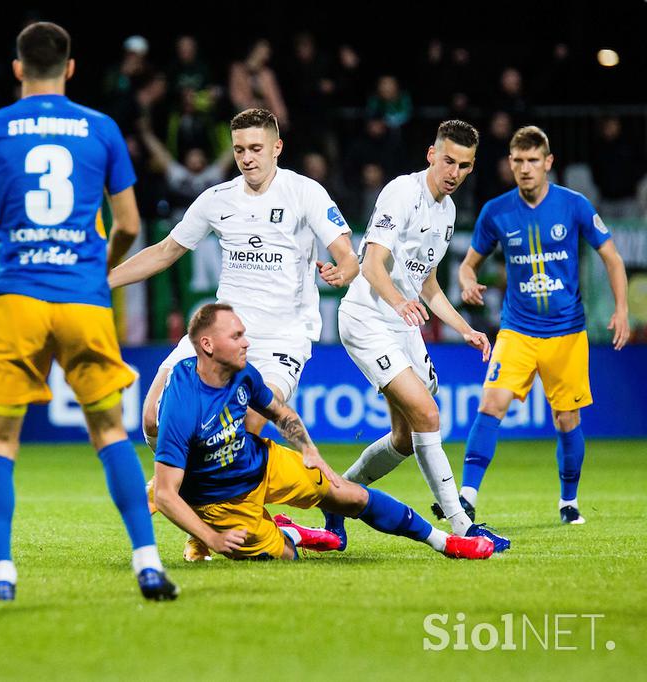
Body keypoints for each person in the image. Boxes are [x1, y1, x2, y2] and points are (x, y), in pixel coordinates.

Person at [0, 22, 176, 602]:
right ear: (70, 68)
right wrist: (95, 269)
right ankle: (147, 565)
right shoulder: (103, 129)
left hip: (17, 297)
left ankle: (3, 574)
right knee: (110, 431)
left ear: (17, 68)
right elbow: (132, 226)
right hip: (83, 300)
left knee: (0, 442)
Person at [110, 107, 359, 559]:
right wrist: (101, 281)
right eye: (240, 149)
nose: (247, 158)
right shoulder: (217, 199)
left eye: (256, 149)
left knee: (247, 424)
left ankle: (263, 515)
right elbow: (165, 251)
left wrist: (341, 270)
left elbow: (347, 251)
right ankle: (208, 513)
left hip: (282, 337)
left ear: (277, 148)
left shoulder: (305, 193)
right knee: (151, 417)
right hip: (218, 332)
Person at [153, 303, 495, 562]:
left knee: (350, 495)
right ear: (208, 345)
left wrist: (309, 450)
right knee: (286, 556)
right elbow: (169, 494)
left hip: (260, 462)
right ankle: (291, 533)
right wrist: (211, 538)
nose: (247, 342)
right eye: (237, 336)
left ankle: (446, 542)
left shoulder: (243, 371)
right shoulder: (182, 404)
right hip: (221, 500)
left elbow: (280, 412)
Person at [325, 120, 511, 553]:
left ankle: (337, 496)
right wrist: (398, 303)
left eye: (464, 165)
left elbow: (425, 283)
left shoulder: (445, 212)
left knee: (406, 439)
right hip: (369, 318)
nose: (454, 172)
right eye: (448, 161)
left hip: (402, 323)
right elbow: (373, 265)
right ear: (431, 155)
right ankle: (462, 526)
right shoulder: (401, 194)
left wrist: (465, 328)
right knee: (427, 414)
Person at [452, 125, 629, 524]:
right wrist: (466, 282)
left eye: (533, 160)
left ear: (548, 163)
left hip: (566, 333)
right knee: (490, 404)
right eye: (518, 161)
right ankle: (466, 497)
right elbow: (468, 264)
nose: (526, 168)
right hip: (516, 330)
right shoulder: (496, 211)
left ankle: (568, 502)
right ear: (509, 164)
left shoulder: (575, 205)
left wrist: (620, 309)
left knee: (566, 420)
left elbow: (613, 258)